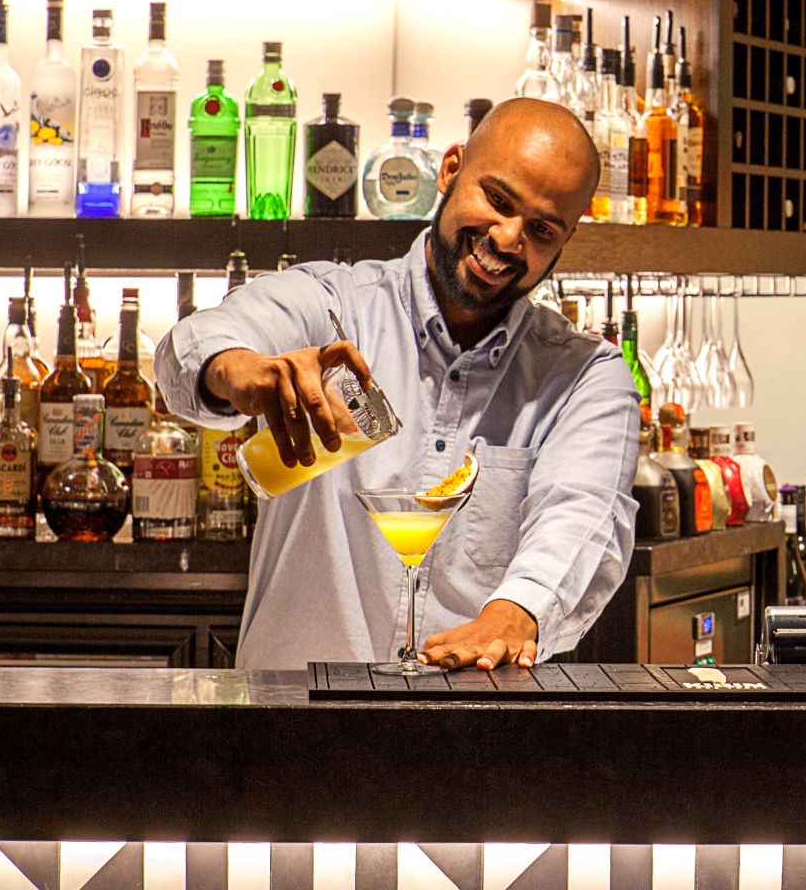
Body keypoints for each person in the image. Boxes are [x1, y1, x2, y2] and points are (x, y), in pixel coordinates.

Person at [155, 99, 640, 671]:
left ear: (566, 239)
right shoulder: (333, 304)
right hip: (290, 726)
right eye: (498, 200)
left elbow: (583, 514)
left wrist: (515, 612)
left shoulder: (586, 377)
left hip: (471, 732)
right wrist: (235, 370)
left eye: (540, 229)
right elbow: (195, 344)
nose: (508, 239)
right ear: (451, 168)